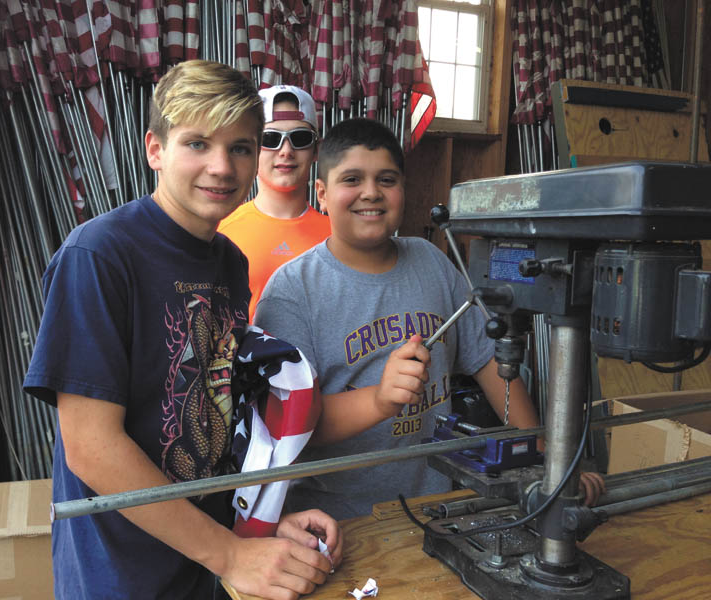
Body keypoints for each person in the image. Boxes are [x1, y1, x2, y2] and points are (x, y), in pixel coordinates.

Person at [23, 60, 341, 600]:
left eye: (241, 147)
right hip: (121, 575)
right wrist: (232, 553)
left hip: (203, 566)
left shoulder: (229, 265)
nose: (221, 166)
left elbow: (215, 410)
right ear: (155, 150)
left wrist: (253, 530)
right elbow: (92, 446)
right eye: (197, 143)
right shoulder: (99, 256)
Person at [254, 117, 605, 520]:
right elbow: (284, 425)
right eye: (352, 179)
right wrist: (379, 400)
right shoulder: (292, 292)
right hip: (339, 522)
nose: (371, 192)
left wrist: (545, 456)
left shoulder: (431, 261)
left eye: (387, 179)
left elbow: (489, 363)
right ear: (322, 194)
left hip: (436, 508)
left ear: (404, 189)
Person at [219, 85, 330, 320]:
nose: (286, 151)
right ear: (251, 147)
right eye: (270, 138)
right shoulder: (220, 231)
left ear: (316, 150)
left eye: (300, 138)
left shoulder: (338, 235)